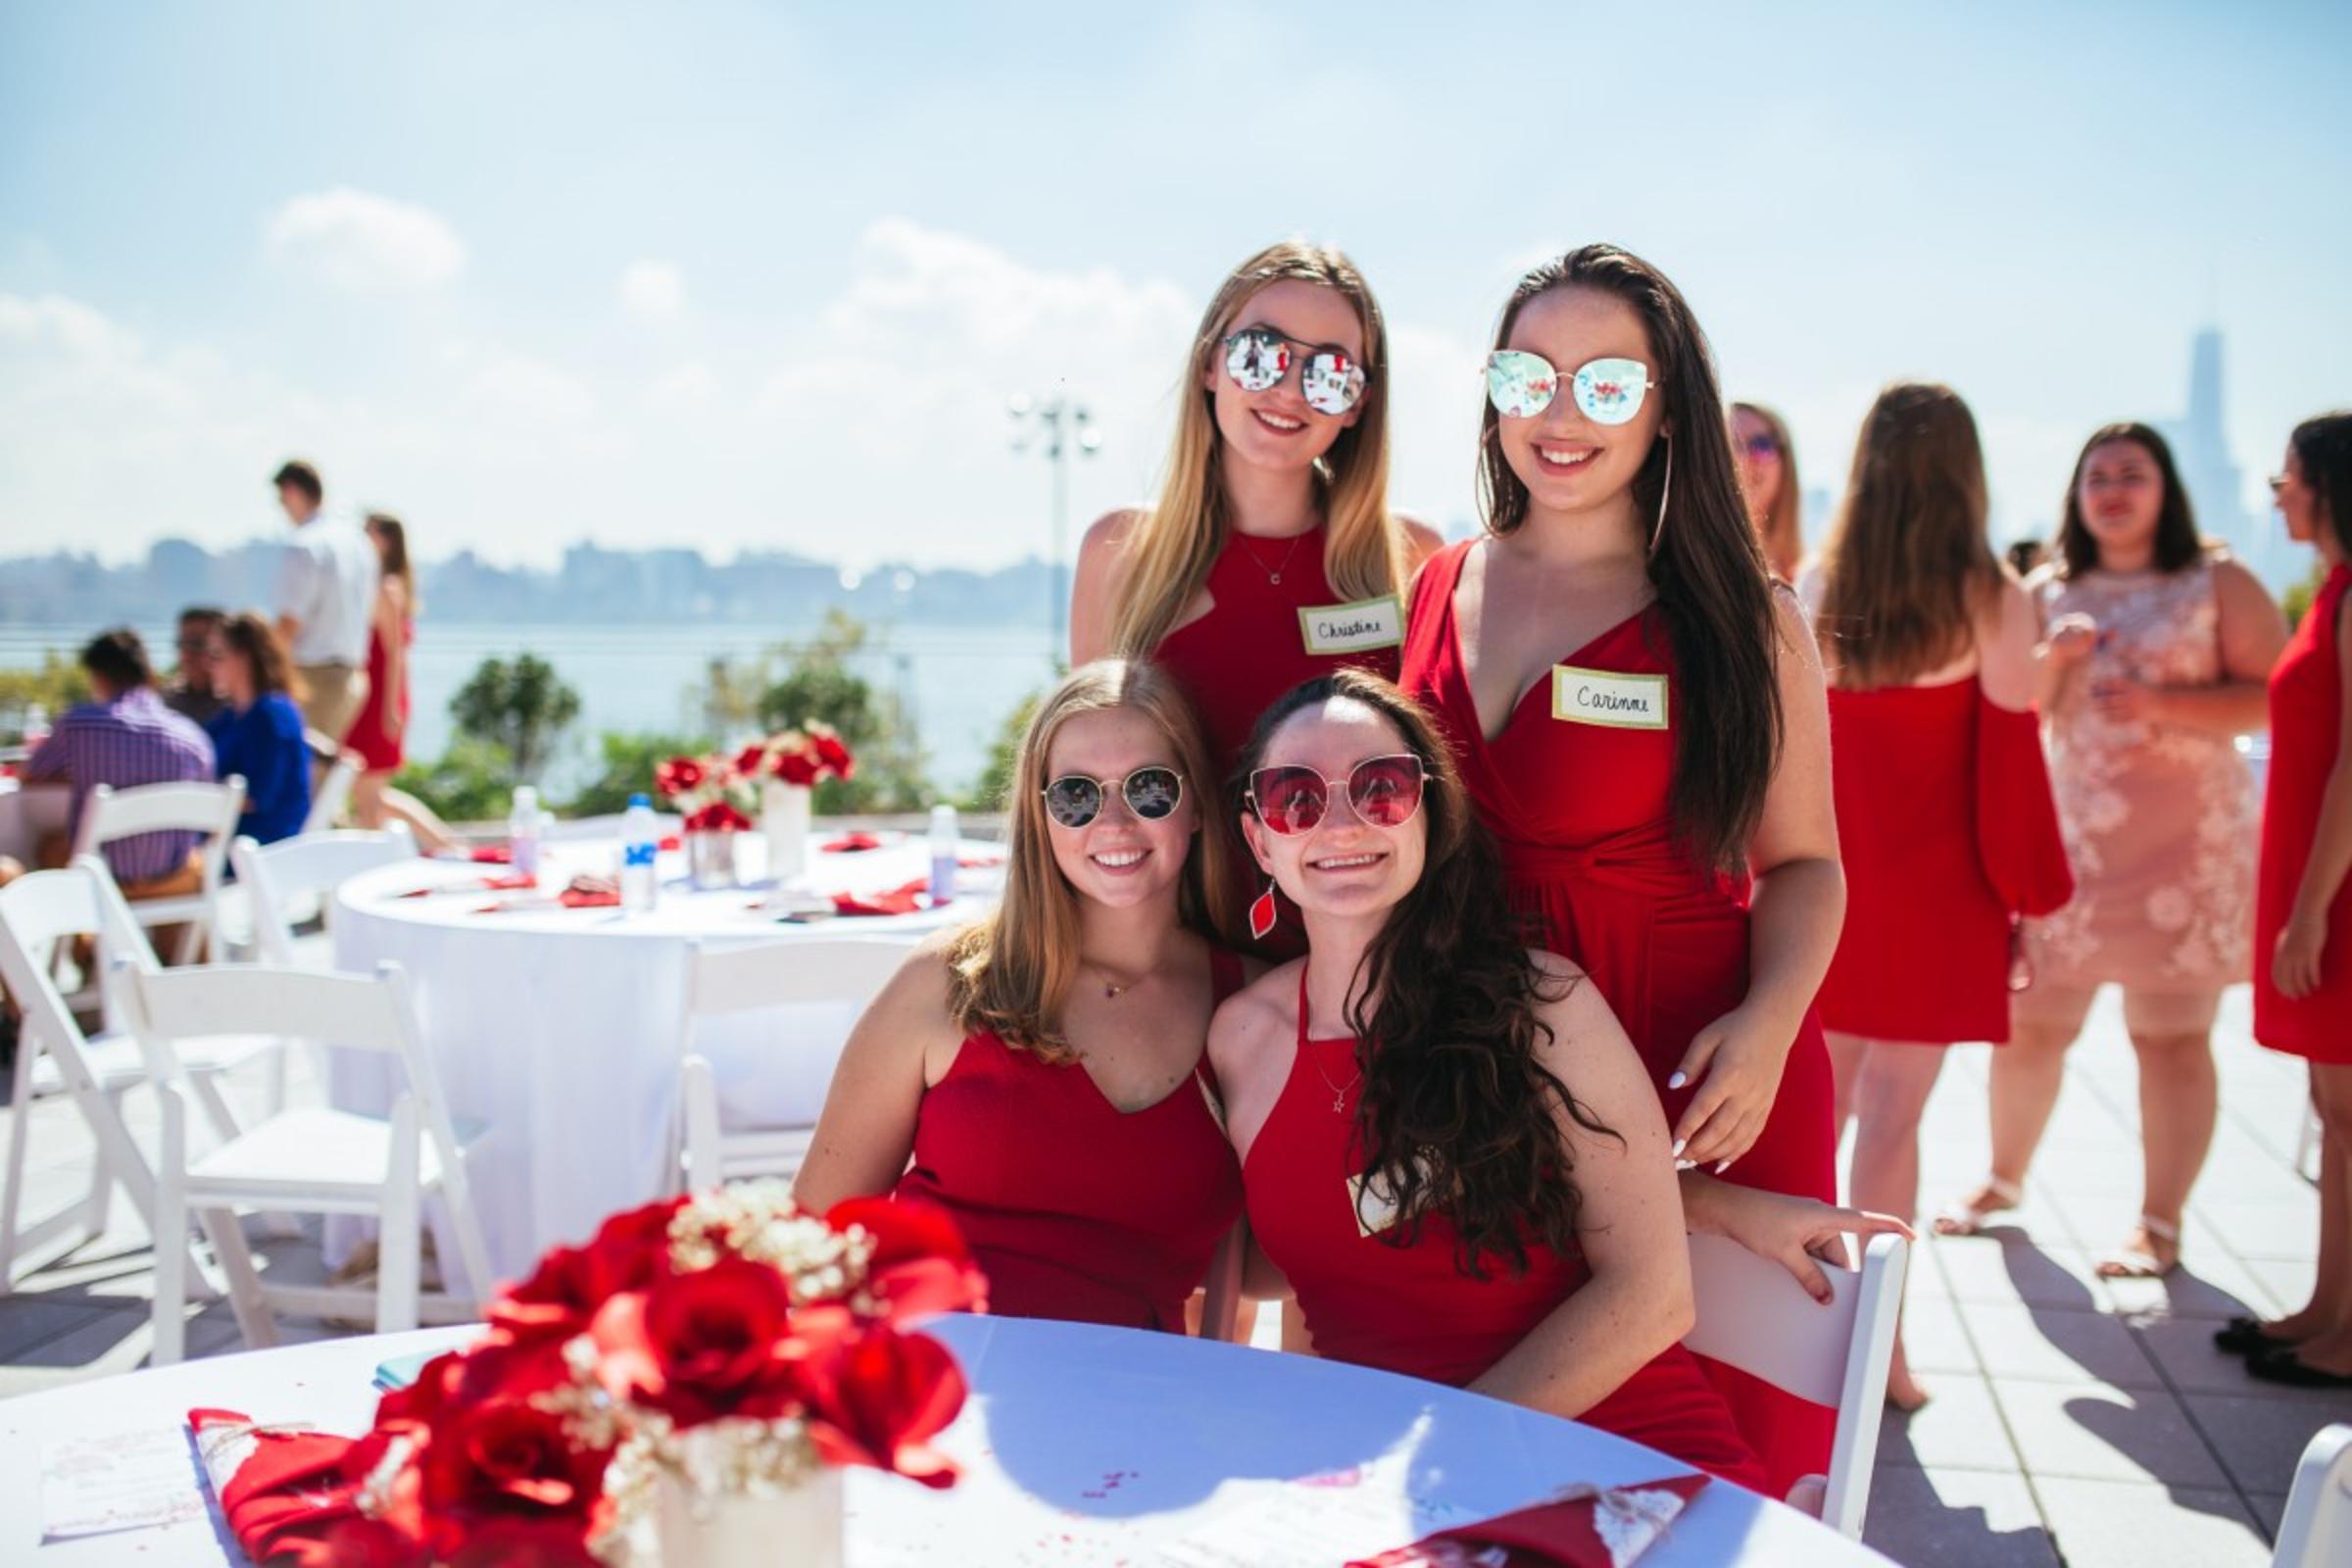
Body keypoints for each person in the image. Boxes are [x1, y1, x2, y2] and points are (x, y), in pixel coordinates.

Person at [1213, 672, 1907, 1493]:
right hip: (1386, 1471)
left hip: (1604, 1454)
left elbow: (1653, 1298)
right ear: (1261, 841)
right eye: (1296, 797)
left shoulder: (1539, 1004)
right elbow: (1293, 1255)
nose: (1341, 822)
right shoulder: (1240, 1040)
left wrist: (1435, 1460)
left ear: (1430, 815)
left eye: (1382, 788)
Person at [1399, 243, 1844, 1494]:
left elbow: (1806, 863)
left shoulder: (1737, 611)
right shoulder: (1438, 581)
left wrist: (1768, 1023)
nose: (1559, 412)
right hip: (1496, 1068)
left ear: (1665, 413)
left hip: (1699, 1071)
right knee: (1507, 1456)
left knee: (1708, 1484)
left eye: (1606, 386)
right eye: (1528, 374)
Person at [795, 660, 1250, 1332]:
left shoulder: (1249, 1007)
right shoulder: (946, 983)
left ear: (1199, 807)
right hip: (941, 1384)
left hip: (1136, 1406)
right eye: (1076, 795)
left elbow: (1272, 1270)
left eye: (1150, 788)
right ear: (1040, 818)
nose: (1115, 821)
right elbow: (813, 1236)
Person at [1936, 423, 2285, 1283]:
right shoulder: (2045, 590)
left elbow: (2275, 699)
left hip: (2187, 852)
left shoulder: (2218, 580)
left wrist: (2165, 704)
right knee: (2029, 1028)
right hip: (2070, 852)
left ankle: (2158, 1225)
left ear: (2167, 487)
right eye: (2099, 475)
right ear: (2076, 493)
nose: (2115, 490)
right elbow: (2023, 712)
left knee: (2169, 1039)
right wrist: (2053, 664)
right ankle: (2001, 1179)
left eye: (2134, 473)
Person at [1805, 383, 2071, 1410]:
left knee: (1811, 1123)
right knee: (1894, 1126)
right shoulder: (1993, 597)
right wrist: (2027, 907)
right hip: (1940, 898)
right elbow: (2009, 770)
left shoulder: (1823, 579)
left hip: (1830, 889)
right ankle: (1883, 1354)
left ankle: (1778, 1336)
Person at [1069, 241, 1442, 953]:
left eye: (1331, 370)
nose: (1289, 388)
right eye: (1261, 352)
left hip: (1374, 963)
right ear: (1211, 362)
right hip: (1183, 957)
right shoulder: (1119, 556)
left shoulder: (1413, 559)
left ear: (1360, 402)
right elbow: (1092, 796)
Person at [2227, 413, 2352, 1389]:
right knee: (2331, 1104)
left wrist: (2311, 909)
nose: (2277, 492)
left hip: (2337, 889)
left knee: (2348, 1109)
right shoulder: (2332, 593)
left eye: (2288, 476)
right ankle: (2326, 1305)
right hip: (2318, 880)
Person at [16, 629, 215, 895]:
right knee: (188, 860)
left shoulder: (79, 725)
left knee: (51, 846)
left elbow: (30, 775)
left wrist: (78, 775)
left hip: (104, 879)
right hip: (174, 880)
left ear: (97, 677)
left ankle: (81, 935)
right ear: (150, 675)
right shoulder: (193, 737)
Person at [341, 514, 458, 853]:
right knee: (371, 796)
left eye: (369, 533)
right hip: (373, 699)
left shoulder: (385, 588)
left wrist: (390, 709)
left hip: (378, 701)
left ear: (386, 540)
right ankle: (446, 844)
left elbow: (394, 655)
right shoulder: (382, 586)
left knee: (369, 800)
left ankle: (434, 848)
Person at [270, 459, 378, 743]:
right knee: (325, 778)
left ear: (292, 491)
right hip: (351, 678)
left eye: (281, 499)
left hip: (313, 678)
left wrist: (264, 672)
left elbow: (289, 623)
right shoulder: (358, 542)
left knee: (306, 779)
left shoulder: (305, 544)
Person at [202, 612, 313, 846]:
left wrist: (192, 800)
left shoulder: (271, 714)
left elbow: (258, 797)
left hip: (259, 847)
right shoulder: (233, 715)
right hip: (226, 837)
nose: (208, 665)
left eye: (216, 654)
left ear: (244, 657)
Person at [1732, 402, 1803, 581]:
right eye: (1730, 445)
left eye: (1761, 444)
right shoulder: (1698, 567)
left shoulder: (1813, 576)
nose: (1743, 458)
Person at [161, 607, 228, 726]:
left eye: (197, 644)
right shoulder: (168, 701)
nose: (187, 652)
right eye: (181, 643)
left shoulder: (238, 703)